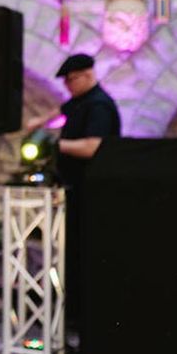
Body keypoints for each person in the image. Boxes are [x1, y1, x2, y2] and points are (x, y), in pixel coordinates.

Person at [54, 53, 121, 329]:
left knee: (82, 255)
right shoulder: (81, 103)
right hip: (75, 191)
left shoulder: (99, 107)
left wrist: (57, 145)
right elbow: (62, 111)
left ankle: (81, 320)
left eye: (71, 80)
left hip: (90, 193)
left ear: (88, 75)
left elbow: (94, 146)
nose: (68, 86)